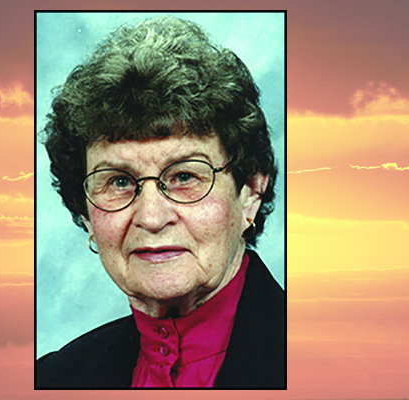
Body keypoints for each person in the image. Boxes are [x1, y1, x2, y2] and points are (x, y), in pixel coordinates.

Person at [36, 15, 284, 388]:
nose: (151, 218)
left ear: (250, 192)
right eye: (120, 181)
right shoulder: (53, 380)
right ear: (85, 213)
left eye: (184, 177)